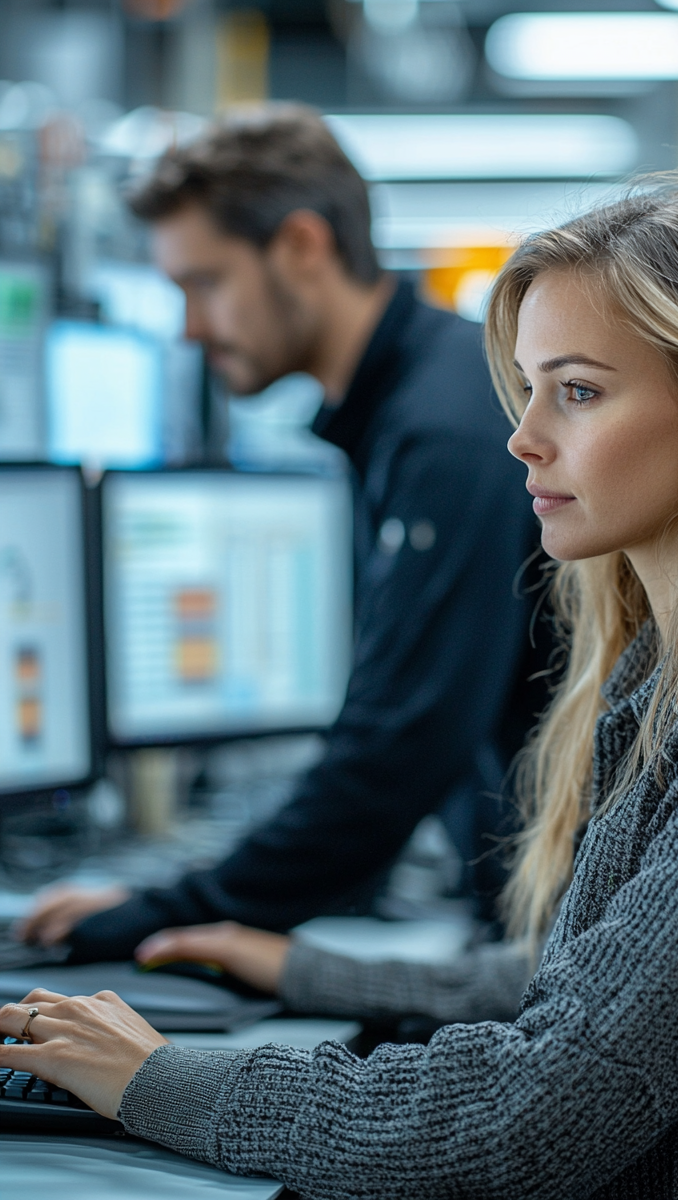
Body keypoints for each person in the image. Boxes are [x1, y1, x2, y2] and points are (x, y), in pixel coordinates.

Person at [4, 182, 678, 1199]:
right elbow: (592, 990)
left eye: (579, 392)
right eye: (528, 387)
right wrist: (297, 969)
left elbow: (526, 1121)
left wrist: (159, 1080)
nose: (523, 437)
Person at [19, 105, 546, 961]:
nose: (189, 329)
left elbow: (402, 744)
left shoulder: (441, 428)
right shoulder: (413, 404)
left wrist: (166, 913)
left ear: (302, 246)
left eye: (205, 284)